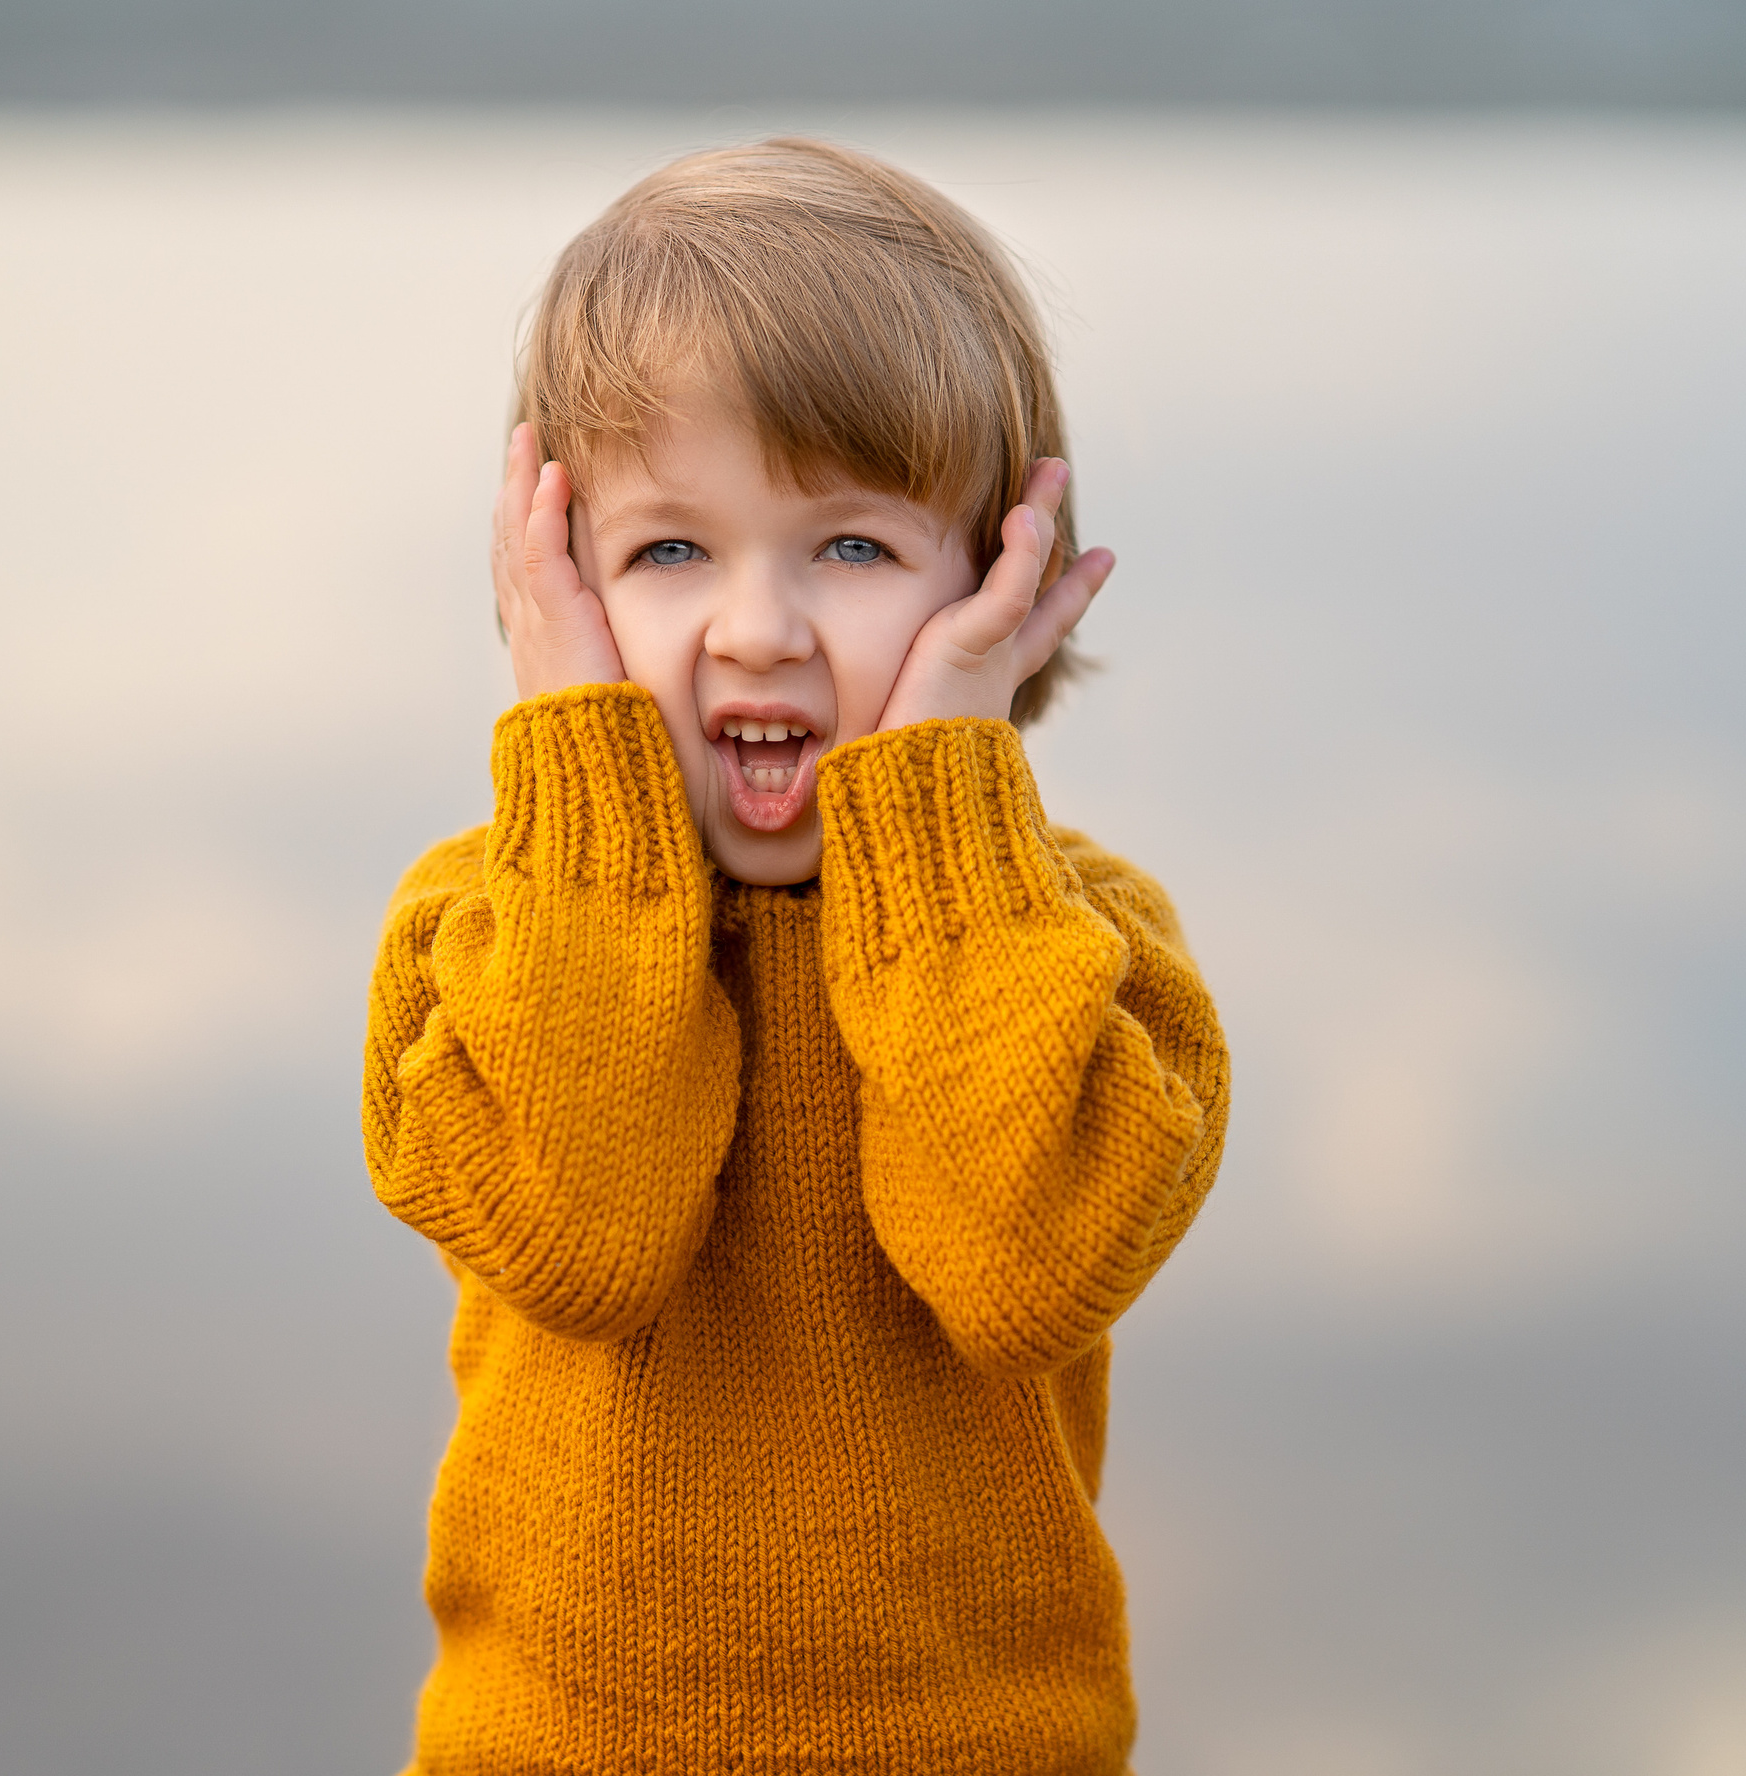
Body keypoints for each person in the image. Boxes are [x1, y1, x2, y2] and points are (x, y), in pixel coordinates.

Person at [361, 137, 1230, 1773]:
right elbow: (580, 1240)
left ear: (1000, 585)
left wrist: (943, 812)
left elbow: (1022, 1269)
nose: (758, 627)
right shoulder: (474, 931)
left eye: (851, 549)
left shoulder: (1090, 948)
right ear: (554, 589)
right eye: (668, 553)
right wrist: (583, 764)